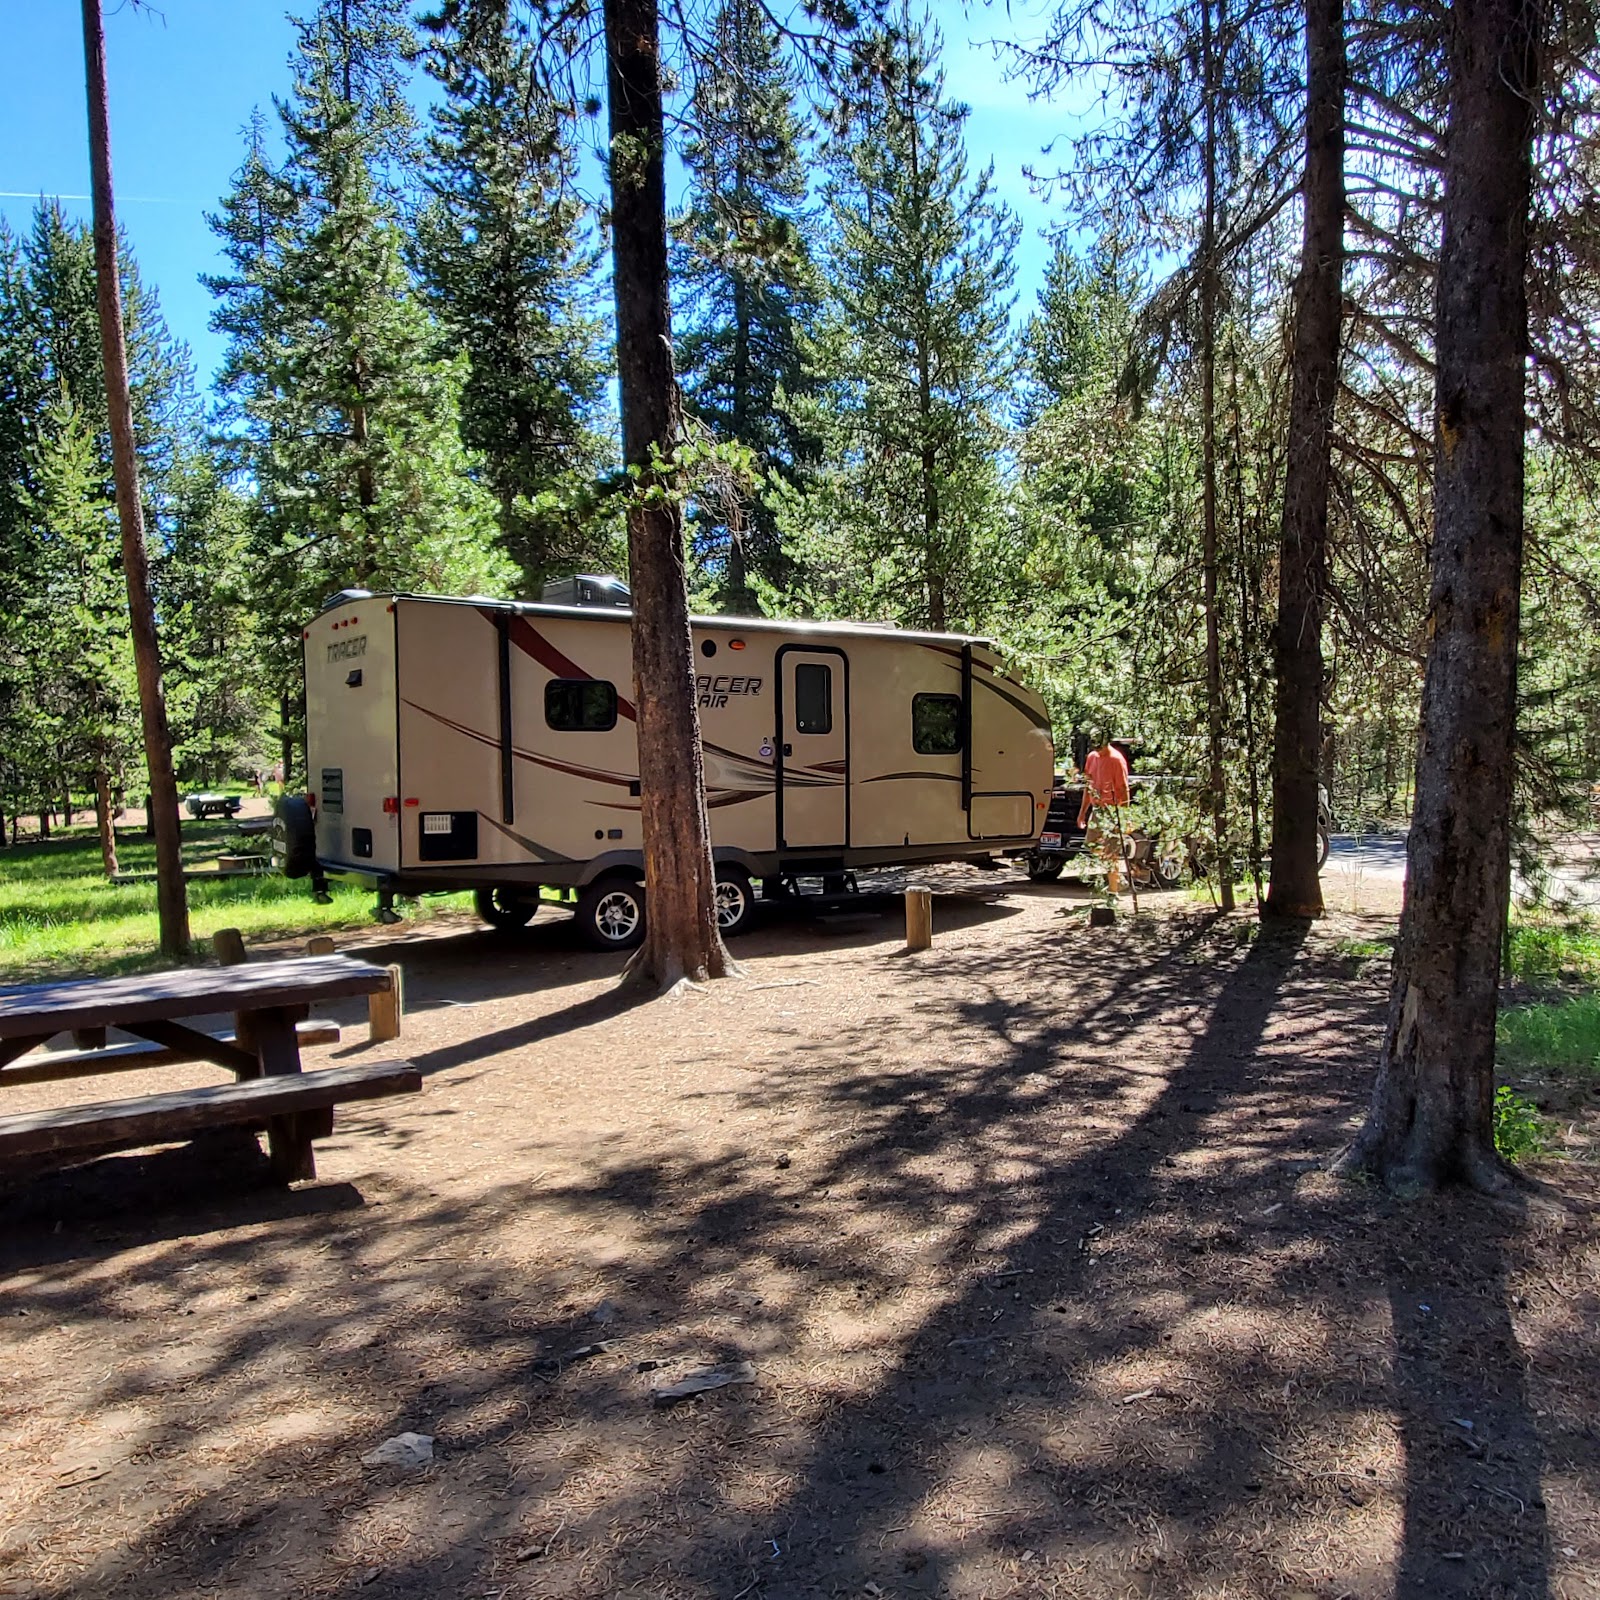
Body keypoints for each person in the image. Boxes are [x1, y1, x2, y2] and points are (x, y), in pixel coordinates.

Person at [1078, 732, 1132, 891]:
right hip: (1098, 809)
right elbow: (1088, 787)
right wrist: (1082, 813)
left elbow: (1123, 789)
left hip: (1113, 810)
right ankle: (1117, 877)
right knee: (1091, 844)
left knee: (1112, 852)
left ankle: (1114, 892)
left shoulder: (1116, 760)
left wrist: (1124, 817)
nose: (1097, 748)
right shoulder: (1092, 757)